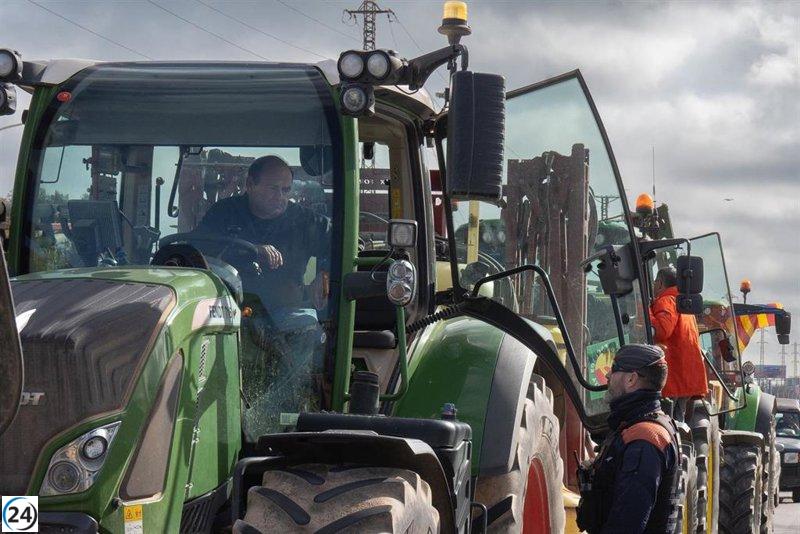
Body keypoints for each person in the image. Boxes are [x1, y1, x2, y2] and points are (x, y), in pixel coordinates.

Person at [196, 155, 331, 312]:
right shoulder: (224, 213)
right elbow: (199, 251)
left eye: (285, 190)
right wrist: (252, 250)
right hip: (227, 312)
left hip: (288, 317)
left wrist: (325, 274)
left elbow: (342, 246)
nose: (280, 196)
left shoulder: (305, 221)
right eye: (273, 188)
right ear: (250, 185)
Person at [576, 344, 681, 534]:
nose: (607, 376)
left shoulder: (644, 438)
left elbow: (626, 525)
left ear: (631, 379)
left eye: (614, 369)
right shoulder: (637, 427)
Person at [649, 266, 708, 421]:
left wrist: (645, 311)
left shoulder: (667, 300)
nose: (653, 286)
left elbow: (661, 330)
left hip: (672, 377)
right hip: (684, 378)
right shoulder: (684, 304)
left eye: (655, 282)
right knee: (678, 423)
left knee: (666, 422)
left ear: (660, 283)